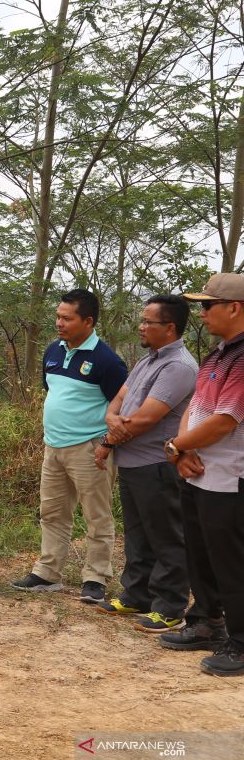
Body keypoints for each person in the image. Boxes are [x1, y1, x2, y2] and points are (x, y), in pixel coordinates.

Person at [12, 289, 128, 603]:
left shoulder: (107, 361)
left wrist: (106, 443)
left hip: (91, 449)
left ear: (88, 321)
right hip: (54, 447)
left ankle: (95, 578)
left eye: (67, 318)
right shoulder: (53, 351)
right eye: (58, 316)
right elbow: (54, 391)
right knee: (51, 512)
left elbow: (122, 409)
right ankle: (47, 573)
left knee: (97, 516)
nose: (59, 322)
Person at [93, 295, 197, 633]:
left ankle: (170, 606)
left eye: (147, 322)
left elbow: (147, 418)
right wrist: (112, 418)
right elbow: (120, 400)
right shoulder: (147, 360)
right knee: (138, 533)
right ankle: (138, 594)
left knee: (166, 535)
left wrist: (109, 439)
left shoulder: (178, 366)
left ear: (169, 328)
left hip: (157, 463)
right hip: (134, 462)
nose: (141, 326)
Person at [160, 274, 244, 676]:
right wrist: (178, 450)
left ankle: (241, 643)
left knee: (232, 561)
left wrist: (180, 447)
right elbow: (194, 410)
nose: (202, 313)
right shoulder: (216, 355)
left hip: (232, 476)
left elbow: (226, 420)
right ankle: (207, 621)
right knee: (201, 553)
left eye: (208, 305)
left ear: (234, 308)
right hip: (199, 473)